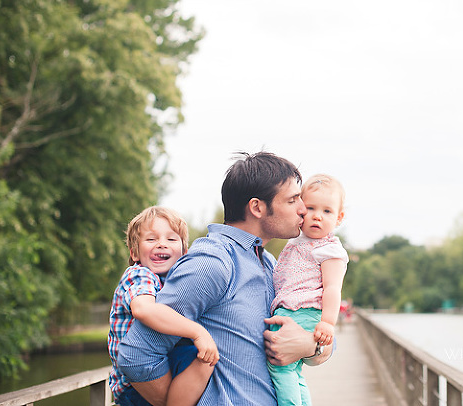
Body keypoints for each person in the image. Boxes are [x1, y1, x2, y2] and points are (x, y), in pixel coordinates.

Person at [117, 152, 332, 406]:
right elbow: (137, 355)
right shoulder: (213, 262)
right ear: (257, 207)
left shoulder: (271, 265)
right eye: (293, 199)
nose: (303, 209)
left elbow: (323, 345)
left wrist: (310, 345)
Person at [108, 206, 219, 406]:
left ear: (185, 252)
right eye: (151, 239)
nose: (161, 244)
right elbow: (144, 309)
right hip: (134, 385)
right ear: (134, 253)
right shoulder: (139, 275)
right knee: (203, 360)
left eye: (171, 239)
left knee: (205, 358)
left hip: (160, 365)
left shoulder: (174, 282)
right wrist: (198, 333)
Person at [267, 174, 349, 406]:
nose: (317, 216)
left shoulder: (329, 249)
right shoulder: (297, 240)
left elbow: (333, 289)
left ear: (339, 218)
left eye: (327, 211)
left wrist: (327, 322)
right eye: (310, 208)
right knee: (293, 371)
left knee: (280, 367)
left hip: (304, 311)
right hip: (291, 310)